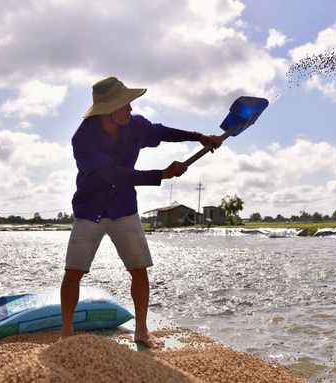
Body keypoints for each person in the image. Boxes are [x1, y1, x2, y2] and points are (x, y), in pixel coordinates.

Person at [60, 76, 222, 347]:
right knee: (74, 271)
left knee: (139, 269)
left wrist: (200, 138)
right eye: (124, 105)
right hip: (90, 210)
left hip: (124, 208)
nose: (130, 109)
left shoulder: (134, 126)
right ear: (107, 111)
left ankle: (142, 330)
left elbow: (162, 132)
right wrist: (162, 174)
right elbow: (112, 174)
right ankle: (66, 332)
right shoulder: (84, 139)